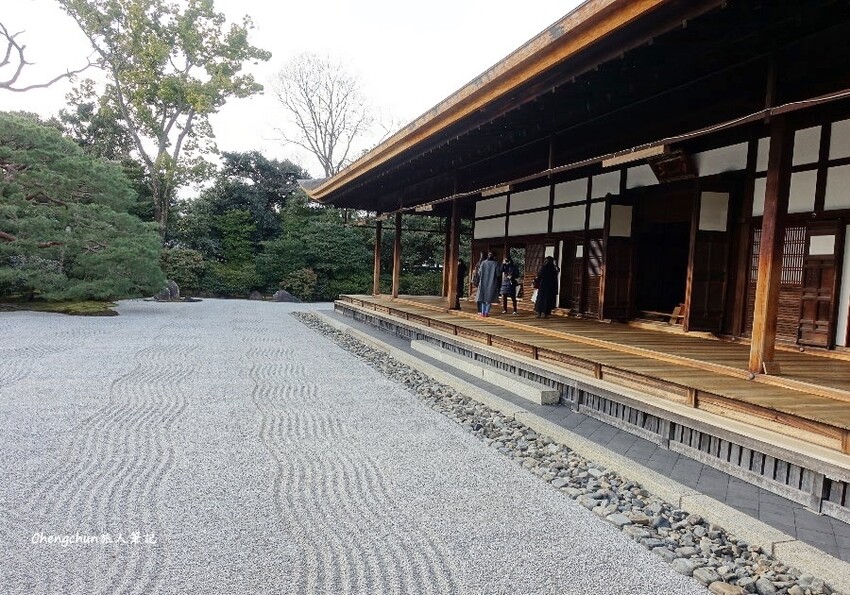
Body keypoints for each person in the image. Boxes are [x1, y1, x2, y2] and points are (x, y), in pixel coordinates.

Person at [474, 252, 500, 317]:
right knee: (489, 299)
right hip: (491, 283)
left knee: (483, 299)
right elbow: (498, 274)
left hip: (483, 282)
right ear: (494, 257)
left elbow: (479, 273)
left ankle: (482, 313)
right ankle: (486, 313)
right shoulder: (495, 264)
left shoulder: (483, 263)